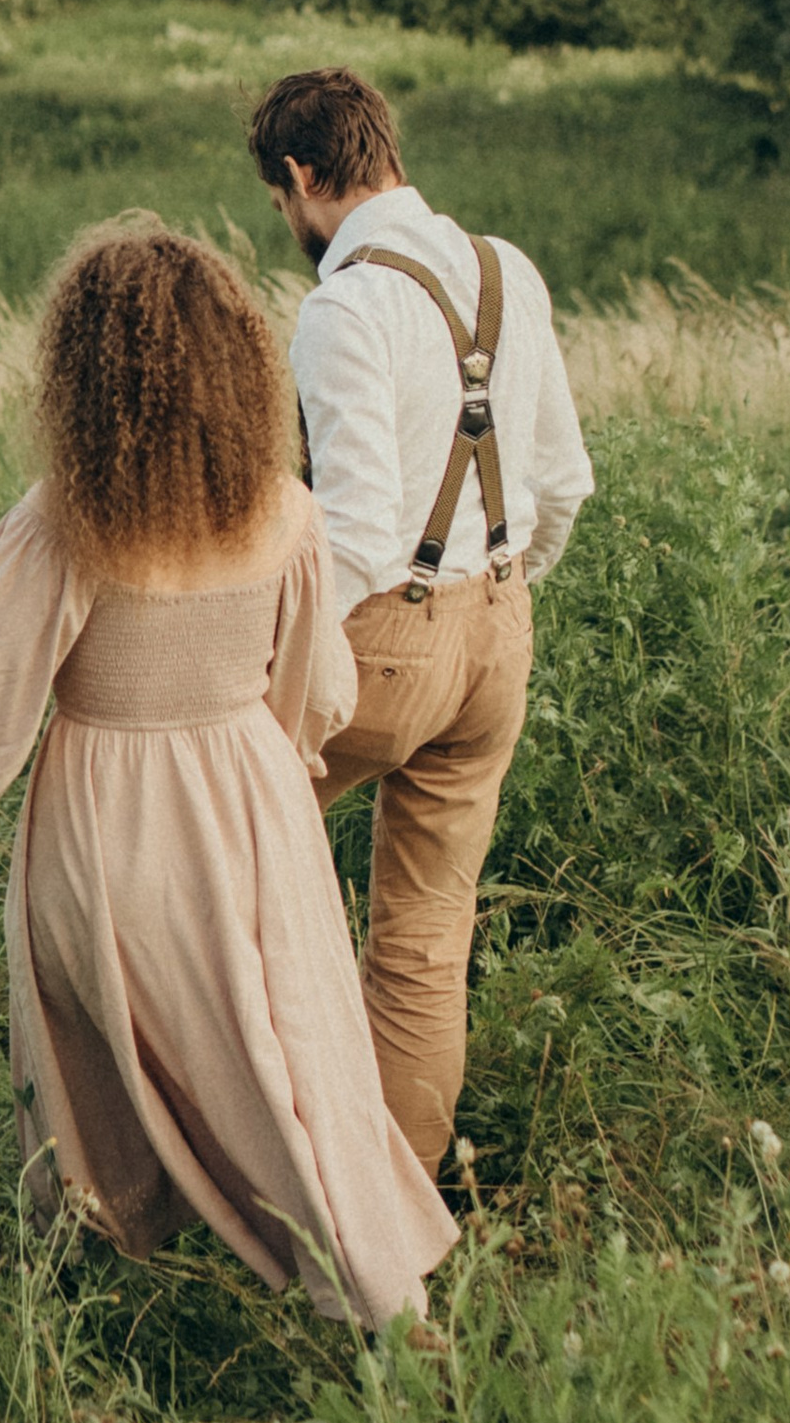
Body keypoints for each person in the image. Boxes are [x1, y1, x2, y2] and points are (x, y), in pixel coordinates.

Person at [0, 224, 454, 1329]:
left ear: (86, 375)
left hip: (107, 812)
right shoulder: (286, 512)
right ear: (235, 367)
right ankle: (355, 1267)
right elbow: (316, 689)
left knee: (94, 1041)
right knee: (282, 1041)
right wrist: (274, 761)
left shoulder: (66, 525)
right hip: (254, 792)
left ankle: (136, 1262)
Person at [247, 65, 593, 1183]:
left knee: (214, 854)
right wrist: (497, 589)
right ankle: (398, 1206)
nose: (287, 222)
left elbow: (349, 532)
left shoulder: (341, 306)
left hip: (381, 640)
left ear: (302, 176)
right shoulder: (507, 270)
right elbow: (564, 481)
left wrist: (271, 667)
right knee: (425, 946)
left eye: (279, 199)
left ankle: (234, 1167)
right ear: (385, 149)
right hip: (498, 632)